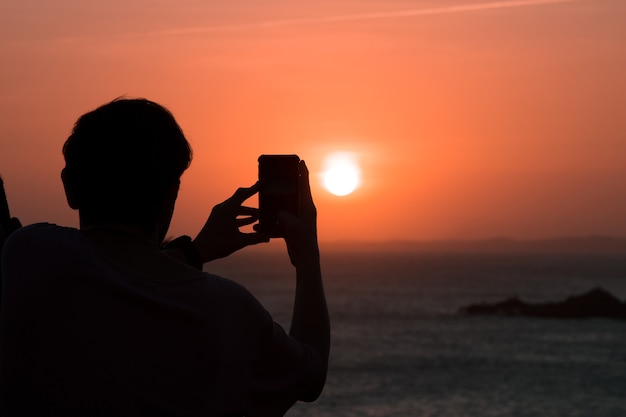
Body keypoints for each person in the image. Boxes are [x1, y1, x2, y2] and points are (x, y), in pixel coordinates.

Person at [0, 98, 330, 416]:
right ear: (171, 194)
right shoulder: (229, 311)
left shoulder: (31, 254)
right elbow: (311, 374)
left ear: (69, 187)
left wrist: (196, 251)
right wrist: (307, 254)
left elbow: (120, 272)